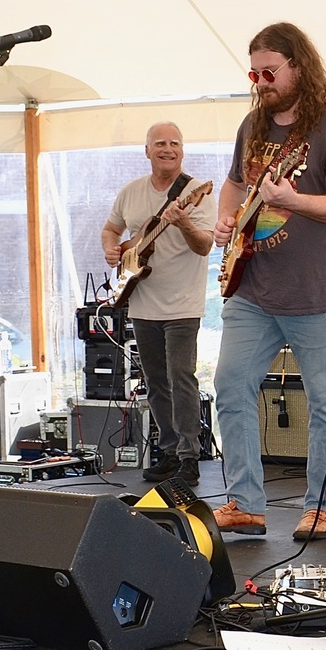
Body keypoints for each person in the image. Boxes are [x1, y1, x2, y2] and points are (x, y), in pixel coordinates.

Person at [211, 23, 326, 541]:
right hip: (253, 288)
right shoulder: (252, 123)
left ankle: (322, 505)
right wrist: (226, 219)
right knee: (229, 386)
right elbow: (234, 183)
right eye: (254, 72)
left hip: (317, 293)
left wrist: (292, 200)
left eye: (269, 71)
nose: (261, 81)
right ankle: (245, 502)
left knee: (325, 402)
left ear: (299, 65)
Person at [102, 121, 214, 485]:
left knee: (182, 378)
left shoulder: (197, 192)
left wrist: (182, 222)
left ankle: (189, 456)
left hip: (183, 304)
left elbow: (204, 246)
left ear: (183, 151)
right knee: (155, 382)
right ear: (147, 151)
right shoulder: (131, 192)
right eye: (160, 143)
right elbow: (112, 229)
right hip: (143, 302)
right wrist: (110, 248)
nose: (168, 149)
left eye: (175, 143)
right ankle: (167, 451)